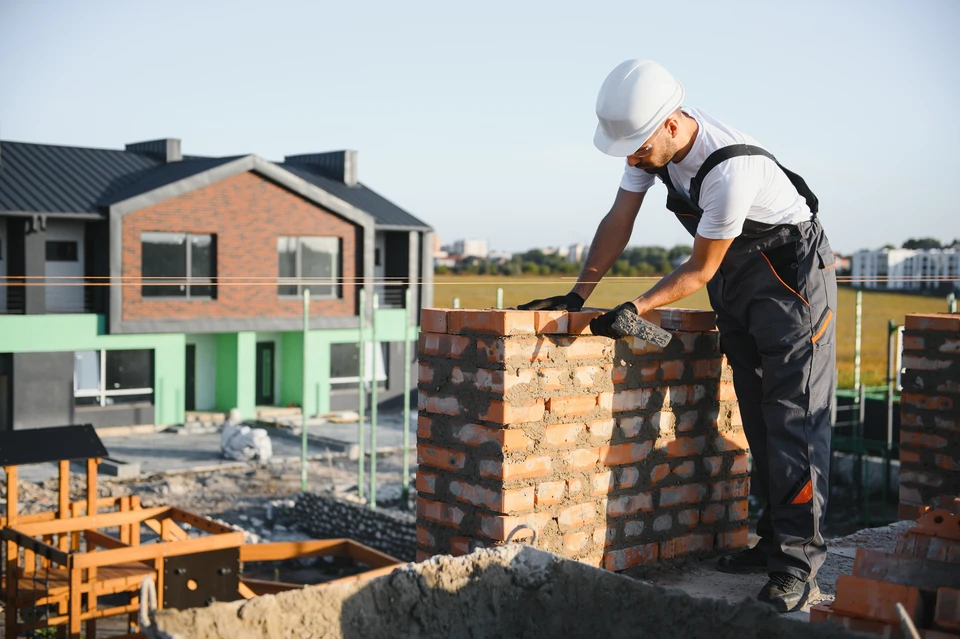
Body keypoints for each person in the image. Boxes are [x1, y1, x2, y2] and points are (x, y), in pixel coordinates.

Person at [519, 59, 837, 613]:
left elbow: (698, 270)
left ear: (671, 123)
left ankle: (798, 564)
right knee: (759, 412)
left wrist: (637, 306)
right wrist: (577, 293)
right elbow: (620, 218)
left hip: (791, 280)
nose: (631, 157)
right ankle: (772, 544)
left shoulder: (728, 171)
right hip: (739, 275)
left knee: (793, 415)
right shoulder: (651, 150)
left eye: (638, 145)